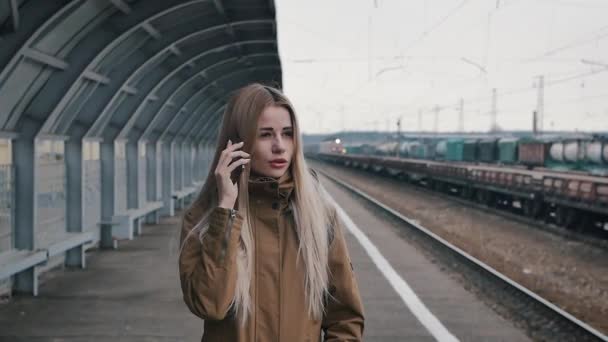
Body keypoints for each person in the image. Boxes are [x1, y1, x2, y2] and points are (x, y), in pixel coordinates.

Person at [178, 83, 364, 341]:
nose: (280, 146)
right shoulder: (205, 218)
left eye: (287, 134)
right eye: (265, 134)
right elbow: (209, 305)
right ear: (238, 142)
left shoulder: (319, 216)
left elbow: (345, 318)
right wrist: (225, 212)